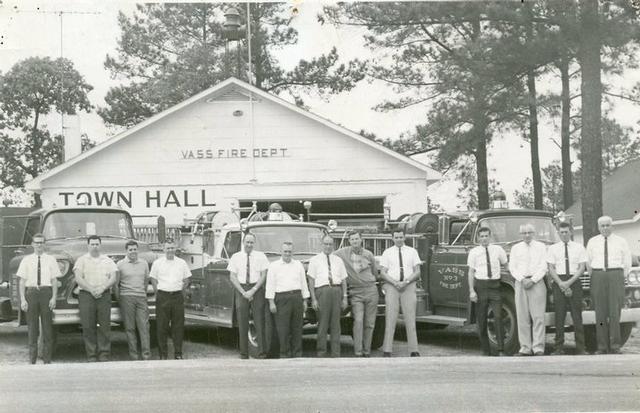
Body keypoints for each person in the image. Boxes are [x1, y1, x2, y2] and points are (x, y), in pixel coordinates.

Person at [586, 216, 631, 354]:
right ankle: (602, 346)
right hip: (598, 276)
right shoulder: (592, 242)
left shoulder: (621, 241)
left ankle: (615, 345)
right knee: (600, 312)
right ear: (598, 227)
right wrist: (595, 276)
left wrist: (619, 275)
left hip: (615, 275)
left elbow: (627, 261)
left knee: (614, 312)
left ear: (612, 226)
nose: (605, 228)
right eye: (602, 226)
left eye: (607, 225)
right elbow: (588, 262)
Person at [17, 233, 62, 364]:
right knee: (32, 327)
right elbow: (21, 281)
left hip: (45, 292)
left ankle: (47, 359)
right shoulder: (26, 260)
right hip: (31, 293)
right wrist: (23, 300)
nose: (39, 245)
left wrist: (53, 298)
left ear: (44, 244)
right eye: (36, 242)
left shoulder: (51, 259)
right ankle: (32, 359)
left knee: (47, 326)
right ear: (32, 244)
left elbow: (54, 281)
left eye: (41, 242)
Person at [335, 230, 379, 357]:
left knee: (370, 322)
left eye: (357, 239)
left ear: (361, 240)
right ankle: (358, 351)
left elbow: (375, 273)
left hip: (371, 290)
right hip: (356, 292)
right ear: (349, 241)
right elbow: (329, 256)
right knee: (358, 320)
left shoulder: (369, 254)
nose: (355, 241)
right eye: (352, 239)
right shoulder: (342, 253)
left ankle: (367, 351)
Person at [74, 235, 118, 362]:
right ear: (88, 246)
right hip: (86, 295)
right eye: (92, 244)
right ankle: (91, 355)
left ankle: (104, 353)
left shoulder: (107, 260)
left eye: (97, 244)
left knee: (104, 325)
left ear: (100, 245)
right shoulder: (81, 260)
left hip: (103, 295)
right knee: (88, 326)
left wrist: (103, 288)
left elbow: (113, 277)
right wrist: (91, 289)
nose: (94, 246)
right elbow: (78, 278)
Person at [379, 230, 422, 357]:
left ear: (404, 237)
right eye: (396, 237)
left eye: (401, 237)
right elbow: (383, 272)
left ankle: (414, 350)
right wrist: (394, 282)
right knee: (391, 318)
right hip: (392, 286)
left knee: (410, 318)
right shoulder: (387, 252)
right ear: (392, 238)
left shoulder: (412, 251)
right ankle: (387, 350)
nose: (399, 239)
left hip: (408, 286)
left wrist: (406, 281)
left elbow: (417, 271)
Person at [547, 222, 587, 355]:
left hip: (574, 281)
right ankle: (558, 348)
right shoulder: (553, 249)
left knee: (577, 315)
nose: (564, 234)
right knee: (559, 315)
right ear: (558, 233)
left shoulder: (579, 247)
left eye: (566, 232)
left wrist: (569, 283)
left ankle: (581, 348)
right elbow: (551, 268)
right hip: (559, 282)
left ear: (571, 231)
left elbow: (581, 268)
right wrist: (561, 284)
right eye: (561, 232)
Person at [228, 233, 270, 359]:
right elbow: (232, 276)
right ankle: (244, 354)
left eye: (252, 242)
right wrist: (243, 292)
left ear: (254, 243)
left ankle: (262, 353)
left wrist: (254, 290)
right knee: (242, 322)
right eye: (247, 242)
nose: (249, 245)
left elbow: (263, 275)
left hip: (256, 289)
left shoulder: (261, 256)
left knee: (259, 321)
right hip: (242, 290)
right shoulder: (236, 257)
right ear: (243, 242)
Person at [508, 224, 548, 356]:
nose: (527, 235)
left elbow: (544, 266)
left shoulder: (542, 247)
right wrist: (522, 279)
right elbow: (512, 268)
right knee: (522, 317)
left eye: (529, 232)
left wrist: (533, 280)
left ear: (534, 233)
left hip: (537, 283)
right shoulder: (515, 248)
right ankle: (525, 348)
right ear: (520, 235)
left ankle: (538, 348)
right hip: (521, 283)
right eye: (524, 233)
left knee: (538, 317)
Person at [467, 227, 508, 356]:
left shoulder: (498, 250)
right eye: (482, 236)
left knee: (498, 316)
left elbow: (506, 265)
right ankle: (486, 351)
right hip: (481, 286)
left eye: (486, 236)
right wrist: (472, 291)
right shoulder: (474, 252)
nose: (484, 238)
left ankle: (501, 350)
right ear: (478, 238)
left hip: (495, 286)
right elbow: (471, 272)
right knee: (482, 319)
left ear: (490, 237)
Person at [265, 241, 310, 358]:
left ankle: (297, 353)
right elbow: (270, 285)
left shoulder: (298, 264)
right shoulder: (274, 266)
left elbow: (303, 282)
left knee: (297, 327)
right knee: (283, 328)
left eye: (289, 251)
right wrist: (271, 302)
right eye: (285, 251)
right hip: (281, 298)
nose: (287, 254)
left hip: (296, 297)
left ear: (292, 252)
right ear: (281, 252)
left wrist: (305, 300)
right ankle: (284, 353)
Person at [150, 238, 191, 360]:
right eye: (168, 248)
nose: (170, 250)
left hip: (177, 296)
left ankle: (178, 353)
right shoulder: (157, 263)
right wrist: (158, 292)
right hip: (163, 296)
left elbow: (187, 279)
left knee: (178, 326)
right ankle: (163, 354)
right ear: (163, 249)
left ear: (175, 249)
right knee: (162, 326)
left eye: (172, 248)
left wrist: (182, 290)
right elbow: (153, 279)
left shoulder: (181, 263)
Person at [308, 235, 348, 357]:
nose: (328, 246)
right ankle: (321, 352)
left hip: (336, 291)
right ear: (322, 244)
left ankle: (336, 353)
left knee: (336, 324)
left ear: (333, 245)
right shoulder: (314, 260)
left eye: (330, 244)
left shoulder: (338, 260)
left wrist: (345, 297)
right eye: (326, 244)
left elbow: (344, 280)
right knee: (323, 323)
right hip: (322, 291)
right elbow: (311, 280)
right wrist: (313, 298)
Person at [116, 240, 151, 361]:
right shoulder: (120, 264)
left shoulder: (144, 263)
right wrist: (120, 298)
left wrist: (142, 293)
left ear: (138, 250)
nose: (133, 252)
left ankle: (146, 355)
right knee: (130, 328)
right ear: (126, 251)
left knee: (144, 326)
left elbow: (146, 281)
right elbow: (116, 284)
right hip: (126, 297)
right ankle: (134, 356)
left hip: (141, 297)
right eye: (130, 250)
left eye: (135, 249)